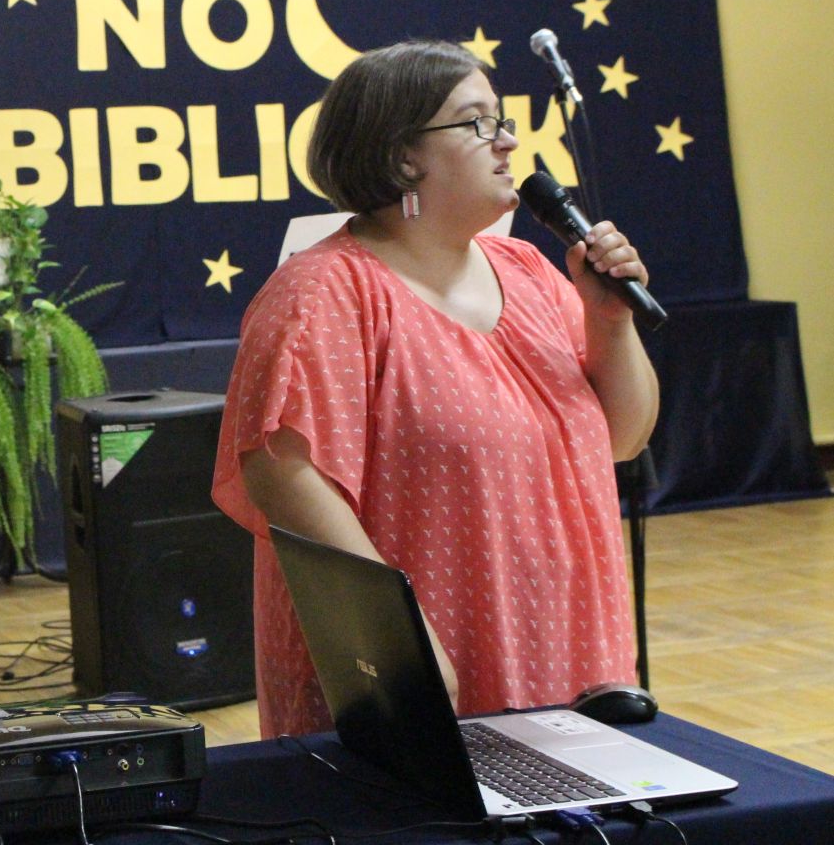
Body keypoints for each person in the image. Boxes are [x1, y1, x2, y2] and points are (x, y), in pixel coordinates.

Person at [212, 39, 659, 739]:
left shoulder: (531, 271)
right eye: (478, 122)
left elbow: (623, 438)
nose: (508, 140)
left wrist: (609, 321)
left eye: (501, 119)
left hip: (565, 643)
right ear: (401, 157)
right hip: (416, 668)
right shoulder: (323, 292)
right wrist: (396, 636)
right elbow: (282, 472)